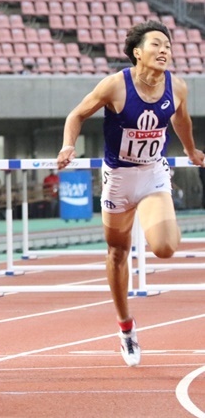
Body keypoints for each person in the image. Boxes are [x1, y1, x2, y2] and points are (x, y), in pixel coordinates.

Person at [57, 20, 205, 367]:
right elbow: (76, 115)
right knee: (116, 253)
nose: (164, 50)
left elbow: (181, 120)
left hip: (152, 172)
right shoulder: (115, 86)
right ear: (137, 52)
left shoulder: (177, 86)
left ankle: (151, 214)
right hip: (119, 177)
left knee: (166, 248)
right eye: (156, 44)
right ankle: (126, 327)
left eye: (168, 45)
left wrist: (191, 150)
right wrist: (68, 146)